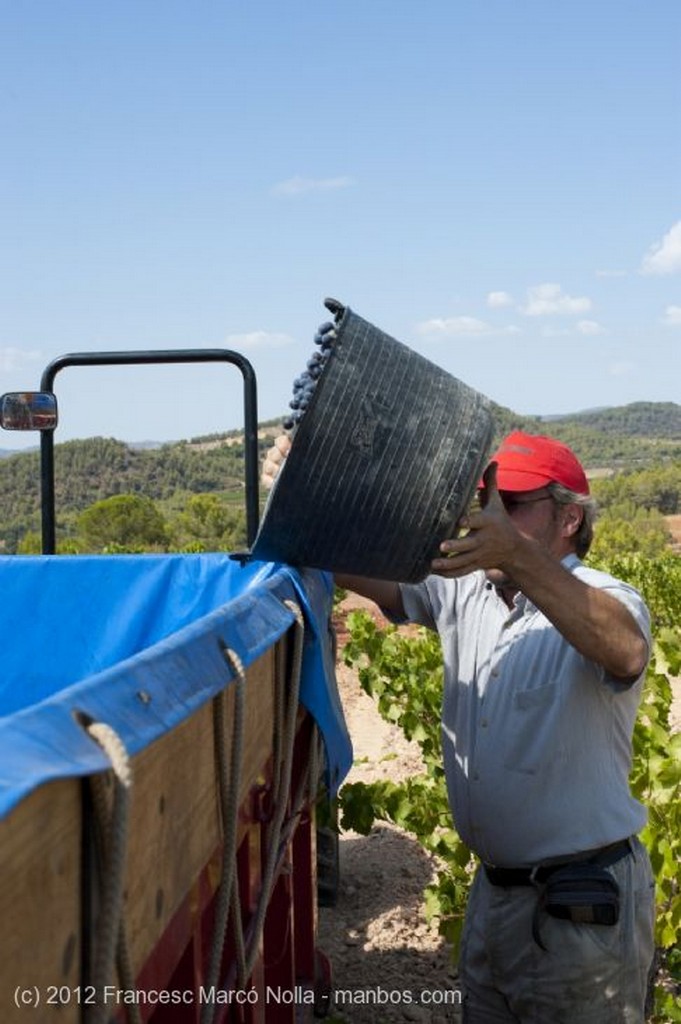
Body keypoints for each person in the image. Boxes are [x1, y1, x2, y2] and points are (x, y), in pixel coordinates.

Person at [262, 429, 655, 1023]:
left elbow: (625, 649)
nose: (485, 518)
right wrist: (307, 492)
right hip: (494, 900)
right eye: (481, 502)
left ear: (569, 519)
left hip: (581, 912)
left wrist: (516, 556)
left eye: (510, 505)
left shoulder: (603, 596)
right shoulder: (465, 590)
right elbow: (352, 565)